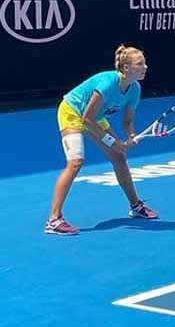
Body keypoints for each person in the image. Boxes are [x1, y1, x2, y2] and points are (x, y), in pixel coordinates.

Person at [45, 45, 158, 236]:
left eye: (144, 63)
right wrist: (112, 141)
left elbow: (127, 120)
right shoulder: (107, 83)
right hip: (73, 112)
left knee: (119, 157)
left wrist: (130, 135)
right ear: (126, 68)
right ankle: (54, 220)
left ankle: (136, 206)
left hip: (95, 117)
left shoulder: (135, 89)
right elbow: (86, 119)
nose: (145, 67)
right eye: (140, 64)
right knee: (75, 163)